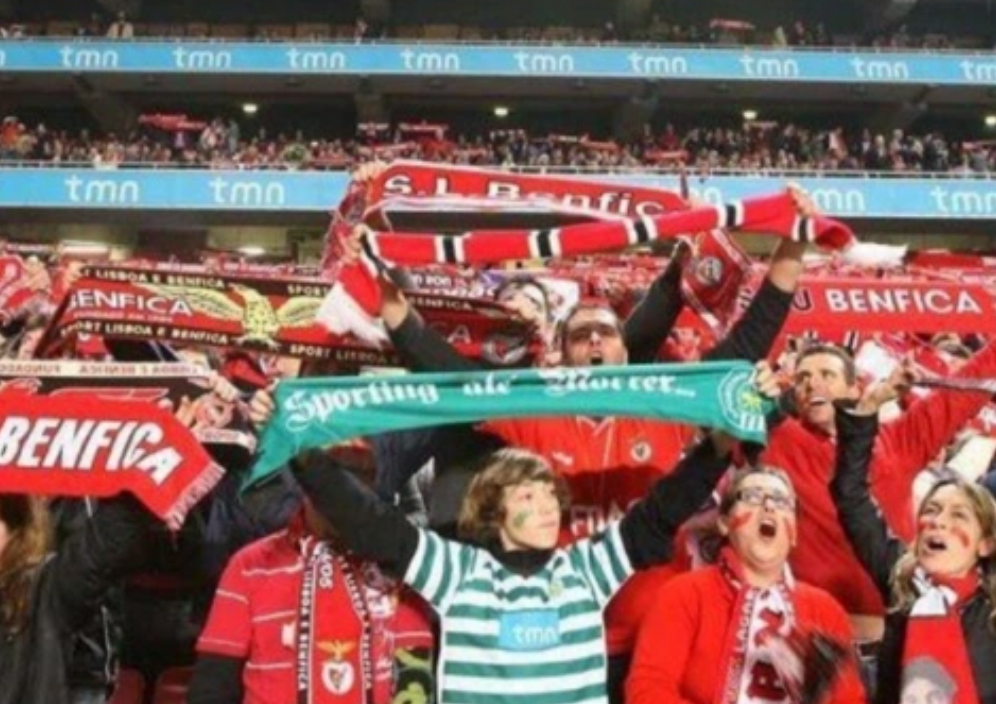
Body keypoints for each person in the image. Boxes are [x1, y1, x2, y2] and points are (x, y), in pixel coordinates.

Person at [758, 339, 996, 646]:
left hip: (896, 637)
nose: (812, 384)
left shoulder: (899, 441)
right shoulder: (780, 440)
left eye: (826, 375)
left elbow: (958, 397)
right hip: (807, 637)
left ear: (855, 387)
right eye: (802, 378)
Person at [626, 465, 866, 704]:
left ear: (794, 534)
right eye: (752, 497)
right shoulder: (684, 594)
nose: (769, 506)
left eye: (782, 501)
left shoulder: (825, 610)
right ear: (724, 523)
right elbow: (647, 688)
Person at [187, 486, 435, 704]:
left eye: (362, 477)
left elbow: (414, 684)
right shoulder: (250, 564)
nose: (349, 489)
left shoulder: (400, 568)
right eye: (335, 474)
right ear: (308, 484)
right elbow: (213, 687)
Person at [831, 379, 996, 704]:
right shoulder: (901, 581)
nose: (938, 521)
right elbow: (851, 498)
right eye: (932, 511)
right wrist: (867, 409)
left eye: (959, 516)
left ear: (985, 544)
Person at [0, 493, 152, 704]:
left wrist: (123, 472)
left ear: (16, 530)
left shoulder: (46, 584)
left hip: (76, 672)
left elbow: (111, 536)